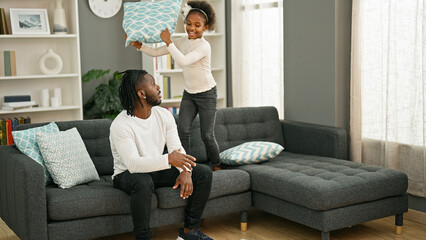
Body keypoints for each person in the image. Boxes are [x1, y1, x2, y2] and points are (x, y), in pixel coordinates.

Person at [110, 69, 213, 240]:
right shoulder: (121, 125)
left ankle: (190, 232)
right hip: (127, 175)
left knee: (203, 173)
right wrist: (169, 159)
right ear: (141, 93)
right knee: (143, 181)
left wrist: (185, 171)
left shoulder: (164, 115)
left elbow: (177, 149)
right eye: (152, 84)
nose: (158, 87)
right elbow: (134, 164)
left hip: (156, 169)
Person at [128, 0, 221, 171]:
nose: (192, 28)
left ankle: (216, 164)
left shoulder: (204, 46)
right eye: (189, 24)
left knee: (207, 135)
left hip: (207, 94)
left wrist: (169, 42)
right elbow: (156, 52)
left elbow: (183, 61)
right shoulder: (181, 41)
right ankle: (186, 166)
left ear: (205, 27)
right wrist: (139, 45)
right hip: (190, 95)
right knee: (183, 131)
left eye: (197, 25)